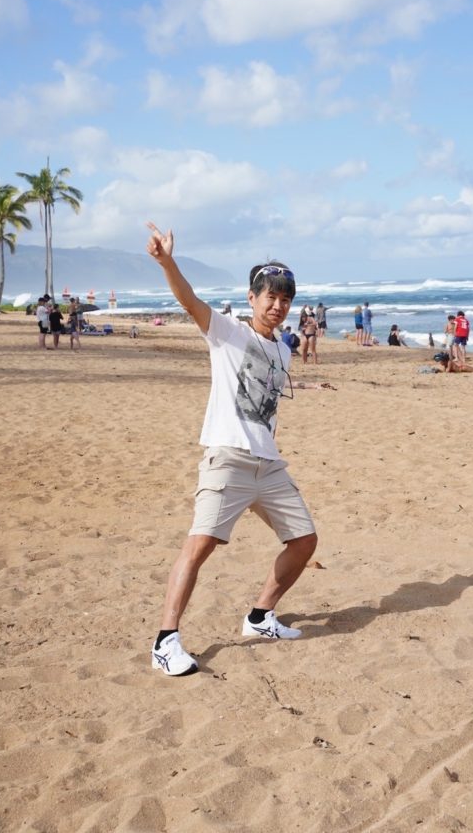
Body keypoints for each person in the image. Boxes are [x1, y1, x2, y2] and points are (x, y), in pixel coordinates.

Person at [146, 222, 317, 677]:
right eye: (270, 297)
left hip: (268, 464)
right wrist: (167, 262)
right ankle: (166, 641)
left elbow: (267, 403)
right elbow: (189, 301)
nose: (278, 306)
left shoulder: (283, 349)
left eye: (285, 299)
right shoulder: (227, 333)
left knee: (304, 541)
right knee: (200, 545)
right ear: (252, 298)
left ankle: (260, 616)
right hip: (227, 458)